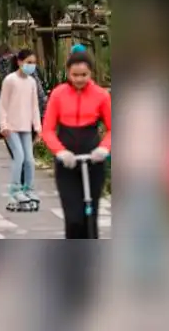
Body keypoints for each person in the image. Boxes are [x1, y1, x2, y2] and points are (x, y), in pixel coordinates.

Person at [40, 52, 111, 239]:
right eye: (75, 75)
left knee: (90, 217)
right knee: (73, 218)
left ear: (91, 74)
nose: (79, 79)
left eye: (84, 75)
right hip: (67, 164)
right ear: (68, 73)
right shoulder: (58, 94)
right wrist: (60, 151)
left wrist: (104, 148)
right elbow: (47, 130)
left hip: (93, 161)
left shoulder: (101, 96)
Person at [0, 49, 43, 211]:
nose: (31, 66)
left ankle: (29, 189)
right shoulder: (10, 80)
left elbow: (34, 106)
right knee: (19, 157)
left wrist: (38, 127)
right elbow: (2, 104)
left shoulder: (32, 82)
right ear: (19, 62)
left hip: (26, 127)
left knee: (30, 160)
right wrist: (3, 125)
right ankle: (15, 190)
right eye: (28, 62)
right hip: (11, 127)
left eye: (33, 63)